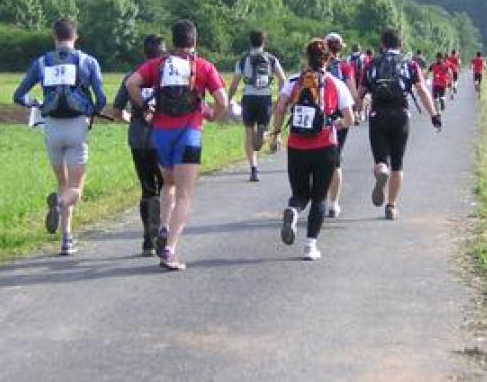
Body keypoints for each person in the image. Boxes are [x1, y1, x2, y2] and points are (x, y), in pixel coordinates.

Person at [126, 20, 228, 270]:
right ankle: (170, 249)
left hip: (160, 135)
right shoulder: (203, 66)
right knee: (184, 194)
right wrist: (212, 115)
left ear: (173, 41)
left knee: (168, 183)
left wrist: (146, 106)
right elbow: (222, 102)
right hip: (189, 135)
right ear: (195, 41)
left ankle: (162, 226)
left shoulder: (157, 65)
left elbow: (131, 84)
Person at [12, 18, 106, 256]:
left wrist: (36, 103)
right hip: (77, 127)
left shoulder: (42, 62)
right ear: (76, 37)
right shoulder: (88, 62)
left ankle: (67, 239)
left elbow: (19, 95)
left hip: (51, 128)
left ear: (54, 36)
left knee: (61, 184)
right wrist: (93, 111)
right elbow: (102, 98)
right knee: (75, 189)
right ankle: (60, 206)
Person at [269, 39, 354, 260]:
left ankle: (294, 210)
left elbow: (280, 108)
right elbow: (349, 119)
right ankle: (310, 246)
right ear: (329, 58)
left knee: (299, 194)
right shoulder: (336, 84)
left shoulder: (295, 81)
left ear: (307, 57)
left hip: (296, 145)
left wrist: (276, 133)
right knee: (319, 197)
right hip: (325, 146)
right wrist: (332, 123)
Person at [359, 29, 442, 220]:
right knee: (398, 163)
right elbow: (421, 89)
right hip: (401, 116)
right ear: (401, 45)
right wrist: (434, 115)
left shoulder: (372, 64)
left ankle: (381, 171)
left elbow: (360, 93)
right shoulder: (411, 65)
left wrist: (355, 110)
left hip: (377, 115)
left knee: (381, 160)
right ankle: (391, 206)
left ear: (382, 44)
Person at [113, 35, 166, 256]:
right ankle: (163, 231)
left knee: (147, 189)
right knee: (167, 187)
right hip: (164, 138)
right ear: (163, 54)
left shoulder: (131, 77)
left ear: (143, 53)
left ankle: (147, 239)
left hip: (138, 139)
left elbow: (117, 110)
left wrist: (130, 119)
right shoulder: (167, 76)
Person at [226, 29, 286, 182]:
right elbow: (282, 79)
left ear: (250, 42)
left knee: (248, 134)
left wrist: (228, 99)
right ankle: (264, 133)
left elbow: (234, 84)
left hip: (249, 98)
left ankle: (254, 169)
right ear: (263, 42)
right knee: (263, 127)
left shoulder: (243, 60)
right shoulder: (272, 59)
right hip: (265, 98)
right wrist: (280, 98)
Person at [324, 32, 359, 218]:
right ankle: (333, 203)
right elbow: (352, 92)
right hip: (340, 117)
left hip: (320, 115)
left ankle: (317, 197)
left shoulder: (318, 65)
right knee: (336, 160)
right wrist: (358, 106)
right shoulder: (345, 67)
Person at [348, 44, 367, 124]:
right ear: (359, 49)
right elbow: (365, 68)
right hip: (360, 79)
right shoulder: (363, 57)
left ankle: (354, 113)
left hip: (351, 79)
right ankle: (359, 113)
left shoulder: (349, 58)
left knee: (352, 97)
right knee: (360, 97)